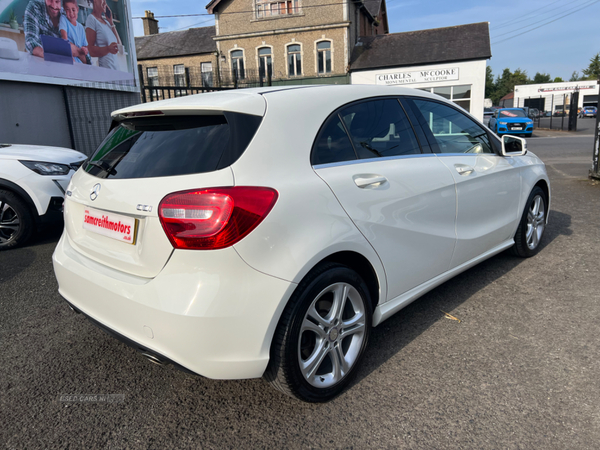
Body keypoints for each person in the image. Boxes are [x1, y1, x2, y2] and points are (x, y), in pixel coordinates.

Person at [85, 0, 121, 70]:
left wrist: (111, 23)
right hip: (106, 71)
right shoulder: (91, 19)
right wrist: (108, 49)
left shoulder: (107, 23)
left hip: (116, 70)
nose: (105, 3)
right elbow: (90, 50)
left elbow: (119, 46)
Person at [59, 0, 91, 64]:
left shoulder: (81, 27)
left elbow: (85, 46)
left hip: (80, 62)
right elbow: (64, 37)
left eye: (73, 10)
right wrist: (69, 56)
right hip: (69, 59)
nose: (71, 13)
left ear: (77, 10)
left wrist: (85, 50)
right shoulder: (63, 19)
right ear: (64, 10)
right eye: (67, 10)